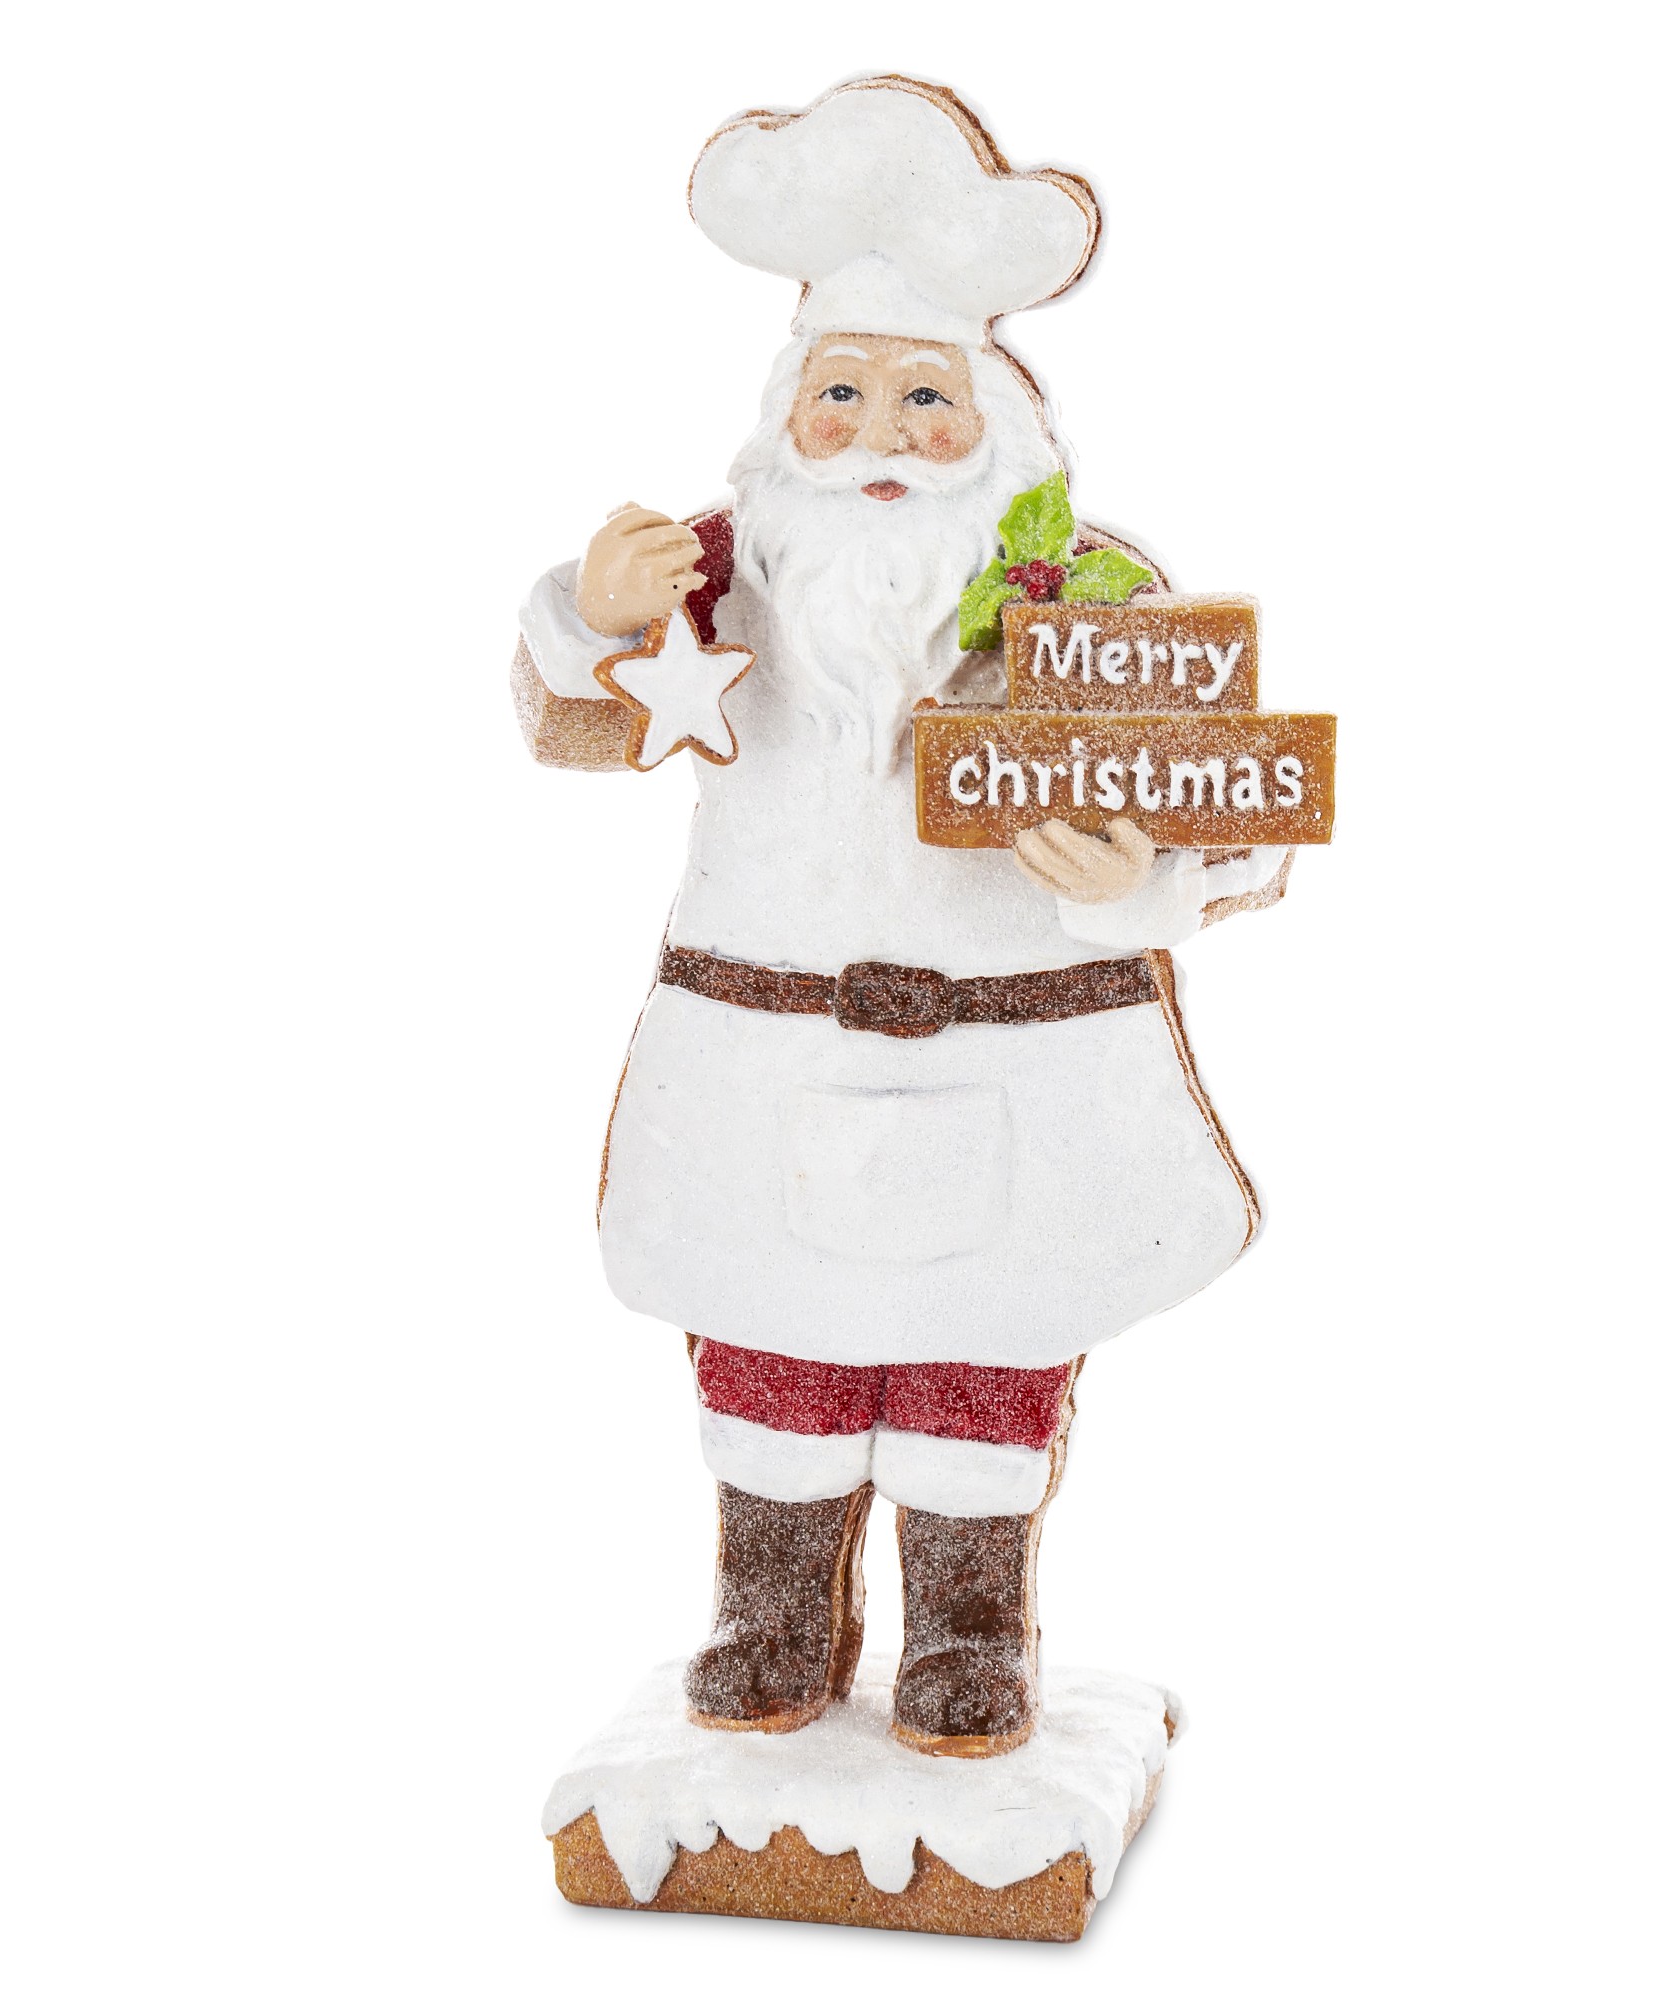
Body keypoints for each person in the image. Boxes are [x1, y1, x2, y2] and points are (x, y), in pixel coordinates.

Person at [513, 78, 1289, 1759]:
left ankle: (969, 1633)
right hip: (766, 1043)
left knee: (983, 1360)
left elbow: (1240, 818)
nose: (879, 435)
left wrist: (1140, 882)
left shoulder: (1086, 601)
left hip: (1019, 1052)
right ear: (785, 419)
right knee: (770, 1345)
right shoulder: (714, 581)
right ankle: (771, 1613)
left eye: (924, 397)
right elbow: (571, 718)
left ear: (997, 424)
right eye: (842, 395)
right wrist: (589, 610)